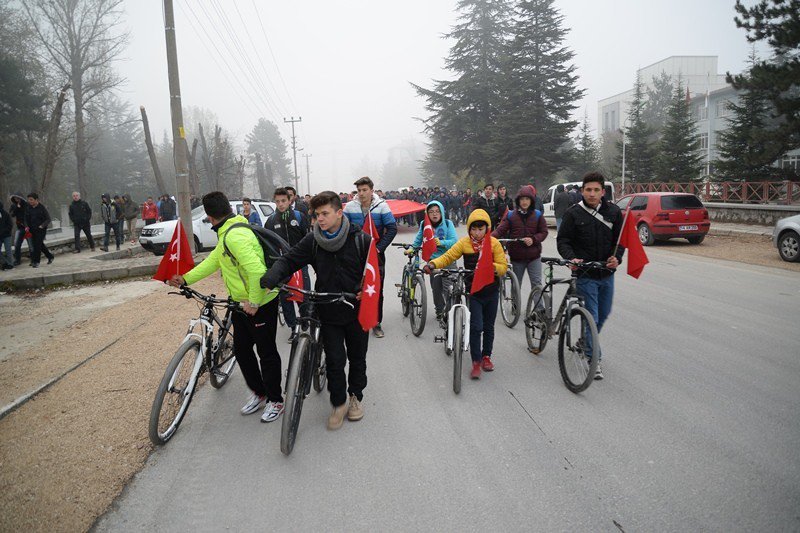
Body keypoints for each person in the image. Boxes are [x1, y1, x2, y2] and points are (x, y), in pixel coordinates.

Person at [168, 191, 284, 423]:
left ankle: (276, 400)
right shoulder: (228, 232)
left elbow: (257, 272)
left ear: (210, 217)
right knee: (241, 350)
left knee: (266, 352)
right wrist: (187, 279)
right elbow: (215, 260)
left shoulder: (234, 236)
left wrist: (254, 301)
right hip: (240, 303)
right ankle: (260, 393)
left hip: (260, 302)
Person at [261, 191, 371, 430]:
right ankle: (339, 402)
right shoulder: (313, 241)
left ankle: (355, 396)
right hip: (328, 309)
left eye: (325, 213)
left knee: (357, 357)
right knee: (334, 359)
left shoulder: (360, 240)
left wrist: (366, 290)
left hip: (356, 310)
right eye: (316, 214)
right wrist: (272, 276)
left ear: (339, 213)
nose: (319, 219)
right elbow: (290, 260)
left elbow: (375, 272)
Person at [424, 209, 507, 379]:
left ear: (487, 229)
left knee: (488, 327)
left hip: (491, 291)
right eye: (473, 229)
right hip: (474, 292)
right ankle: (476, 361)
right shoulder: (464, 243)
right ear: (469, 229)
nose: (477, 233)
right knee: (476, 327)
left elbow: (503, 266)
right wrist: (433, 264)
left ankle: (486, 357)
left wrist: (492, 267)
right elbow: (448, 256)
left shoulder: (494, 244)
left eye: (481, 229)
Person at [556, 172, 624, 380]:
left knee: (603, 315)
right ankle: (593, 358)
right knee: (592, 317)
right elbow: (563, 241)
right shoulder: (573, 213)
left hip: (606, 272)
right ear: (582, 191)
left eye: (596, 190)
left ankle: (586, 341)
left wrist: (617, 258)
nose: (592, 194)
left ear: (603, 192)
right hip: (585, 274)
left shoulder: (613, 212)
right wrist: (571, 258)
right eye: (588, 190)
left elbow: (620, 241)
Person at [343, 176, 397, 338]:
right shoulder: (350, 207)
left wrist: (379, 249)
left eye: (364, 190)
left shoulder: (382, 206)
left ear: (372, 191)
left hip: (376, 256)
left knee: (376, 290)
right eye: (359, 190)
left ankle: (376, 323)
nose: (361, 193)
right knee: (355, 288)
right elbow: (344, 228)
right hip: (356, 256)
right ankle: (357, 320)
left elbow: (392, 228)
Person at [263, 187, 310, 343]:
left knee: (303, 293)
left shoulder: (300, 216)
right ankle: (292, 327)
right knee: (285, 296)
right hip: (282, 264)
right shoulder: (270, 221)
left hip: (300, 262)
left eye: (283, 201)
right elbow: (268, 244)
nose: (281, 204)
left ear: (290, 200)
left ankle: (304, 322)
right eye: (277, 201)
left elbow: (307, 237)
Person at [492, 185, 548, 294]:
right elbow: (500, 230)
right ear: (518, 201)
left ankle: (540, 309)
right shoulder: (511, 215)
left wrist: (534, 239)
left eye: (527, 199)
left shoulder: (537, 215)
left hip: (534, 256)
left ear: (531, 200)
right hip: (517, 257)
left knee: (537, 284)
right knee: (516, 284)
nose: (524, 202)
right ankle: (515, 308)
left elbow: (544, 232)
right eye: (522, 199)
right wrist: (489, 238)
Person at [411, 199, 458, 322]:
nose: (434, 214)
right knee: (436, 288)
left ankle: (450, 312)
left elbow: (454, 241)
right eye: (431, 212)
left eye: (437, 211)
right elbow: (418, 239)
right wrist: (412, 249)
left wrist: (441, 242)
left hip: (449, 260)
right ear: (427, 213)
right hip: (433, 262)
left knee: (449, 288)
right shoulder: (424, 224)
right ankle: (439, 310)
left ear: (442, 212)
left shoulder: (448, 224)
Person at [24, 193, 54, 267]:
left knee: (37, 245)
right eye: (29, 200)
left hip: (41, 230)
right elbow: (25, 219)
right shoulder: (28, 208)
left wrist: (42, 226)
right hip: (32, 230)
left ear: (36, 200)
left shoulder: (42, 208)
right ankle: (50, 256)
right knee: (40, 245)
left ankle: (36, 262)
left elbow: (48, 219)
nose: (30, 201)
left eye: (31, 200)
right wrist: (26, 226)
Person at [9, 194, 30, 266]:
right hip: (20, 228)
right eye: (15, 198)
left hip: (27, 228)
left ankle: (34, 258)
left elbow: (28, 214)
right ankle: (17, 260)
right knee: (17, 245)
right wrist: (16, 208)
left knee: (31, 244)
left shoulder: (26, 204)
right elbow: (11, 215)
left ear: (20, 198)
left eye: (18, 198)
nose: (16, 199)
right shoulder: (13, 206)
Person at [0, 200, 13, 270]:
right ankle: (5, 262)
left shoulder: (5, 214)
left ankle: (10, 265)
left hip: (7, 235)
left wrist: (4, 231)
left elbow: (10, 225)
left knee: (8, 250)